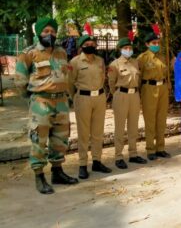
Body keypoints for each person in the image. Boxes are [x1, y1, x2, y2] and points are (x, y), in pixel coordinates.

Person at [15, 17, 79, 194]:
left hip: (61, 102)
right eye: (46, 31)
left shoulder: (61, 52)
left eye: (52, 31)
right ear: (39, 33)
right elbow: (20, 81)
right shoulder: (29, 53)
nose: (49, 34)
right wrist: (32, 100)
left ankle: (57, 172)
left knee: (61, 139)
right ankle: (39, 176)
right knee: (39, 140)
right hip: (41, 102)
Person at [69, 35, 112, 179]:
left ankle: (97, 161)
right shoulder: (75, 62)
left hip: (99, 98)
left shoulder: (100, 61)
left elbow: (103, 78)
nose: (90, 45)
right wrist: (75, 97)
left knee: (98, 132)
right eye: (87, 43)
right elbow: (70, 82)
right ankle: (82, 164)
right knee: (83, 133)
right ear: (81, 46)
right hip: (83, 98)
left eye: (92, 43)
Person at [108, 38, 148, 169]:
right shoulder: (115, 64)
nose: (128, 50)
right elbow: (111, 84)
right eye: (125, 48)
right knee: (120, 127)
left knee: (133, 126)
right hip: (121, 95)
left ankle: (133, 154)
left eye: (130, 48)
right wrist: (118, 95)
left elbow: (139, 79)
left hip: (135, 95)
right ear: (120, 49)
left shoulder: (135, 63)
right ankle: (118, 156)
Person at [138, 32, 171, 160]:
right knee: (150, 120)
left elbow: (167, 72)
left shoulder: (162, 57)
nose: (156, 45)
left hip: (162, 88)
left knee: (162, 119)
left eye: (157, 43)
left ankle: (160, 148)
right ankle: (150, 149)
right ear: (147, 44)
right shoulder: (142, 58)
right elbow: (138, 76)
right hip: (149, 88)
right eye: (153, 43)